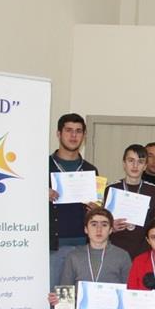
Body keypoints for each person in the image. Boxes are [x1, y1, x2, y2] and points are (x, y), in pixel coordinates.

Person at [48, 113, 98, 289]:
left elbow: (96, 212)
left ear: (84, 136)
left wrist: (95, 209)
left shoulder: (91, 170)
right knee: (56, 299)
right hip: (53, 248)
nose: (73, 135)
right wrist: (39, 194)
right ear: (58, 134)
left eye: (78, 131)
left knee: (81, 299)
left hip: (84, 247)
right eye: (68, 130)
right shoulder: (43, 166)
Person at [104, 144, 155, 259]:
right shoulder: (111, 189)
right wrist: (111, 226)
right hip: (115, 251)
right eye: (131, 161)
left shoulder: (154, 191)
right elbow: (102, 222)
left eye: (140, 162)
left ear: (145, 166)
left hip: (144, 252)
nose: (135, 166)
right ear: (124, 164)